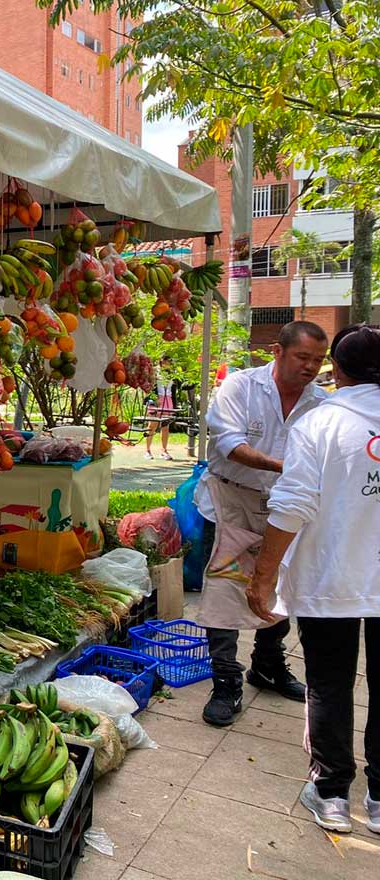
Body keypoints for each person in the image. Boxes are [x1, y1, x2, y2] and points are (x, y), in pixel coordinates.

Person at [246, 323, 380, 835]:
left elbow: (293, 503)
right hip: (350, 574)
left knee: (329, 683)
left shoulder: (321, 425)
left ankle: (332, 796)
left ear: (338, 370)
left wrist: (263, 578)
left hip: (332, 577)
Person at [193, 320, 328, 727]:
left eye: (318, 361)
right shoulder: (240, 387)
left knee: (282, 583)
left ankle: (267, 666)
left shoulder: (320, 403)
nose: (310, 367)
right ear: (278, 351)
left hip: (286, 506)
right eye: (303, 357)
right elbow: (230, 445)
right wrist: (288, 467)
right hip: (232, 496)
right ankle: (225, 681)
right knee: (225, 587)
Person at [144, 358, 175, 460]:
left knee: (165, 427)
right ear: (161, 361)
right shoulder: (154, 371)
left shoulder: (172, 373)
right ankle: (147, 450)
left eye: (169, 362)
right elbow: (148, 386)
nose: (168, 364)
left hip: (168, 400)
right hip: (156, 399)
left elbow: (173, 389)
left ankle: (164, 450)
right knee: (152, 425)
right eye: (166, 361)